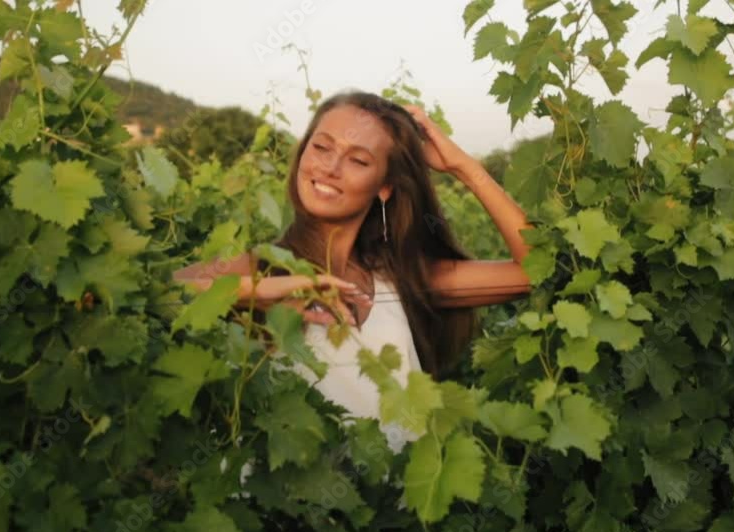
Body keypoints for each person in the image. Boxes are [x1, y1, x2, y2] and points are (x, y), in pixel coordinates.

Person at [173, 90, 534, 451]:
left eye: (358, 160)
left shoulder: (401, 278)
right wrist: (255, 294)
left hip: (395, 503)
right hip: (287, 504)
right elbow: (161, 294)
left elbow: (534, 271)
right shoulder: (260, 268)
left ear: (385, 187)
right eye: (321, 148)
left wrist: (464, 167)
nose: (330, 168)